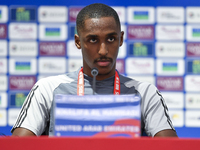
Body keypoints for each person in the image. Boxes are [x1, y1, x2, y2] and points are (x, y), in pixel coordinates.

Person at [11, 3, 177, 137]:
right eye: (92, 40)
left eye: (111, 39)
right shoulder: (47, 89)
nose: (103, 50)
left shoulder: (145, 93)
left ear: (121, 39)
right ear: (78, 42)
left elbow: (171, 148)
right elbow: (17, 146)